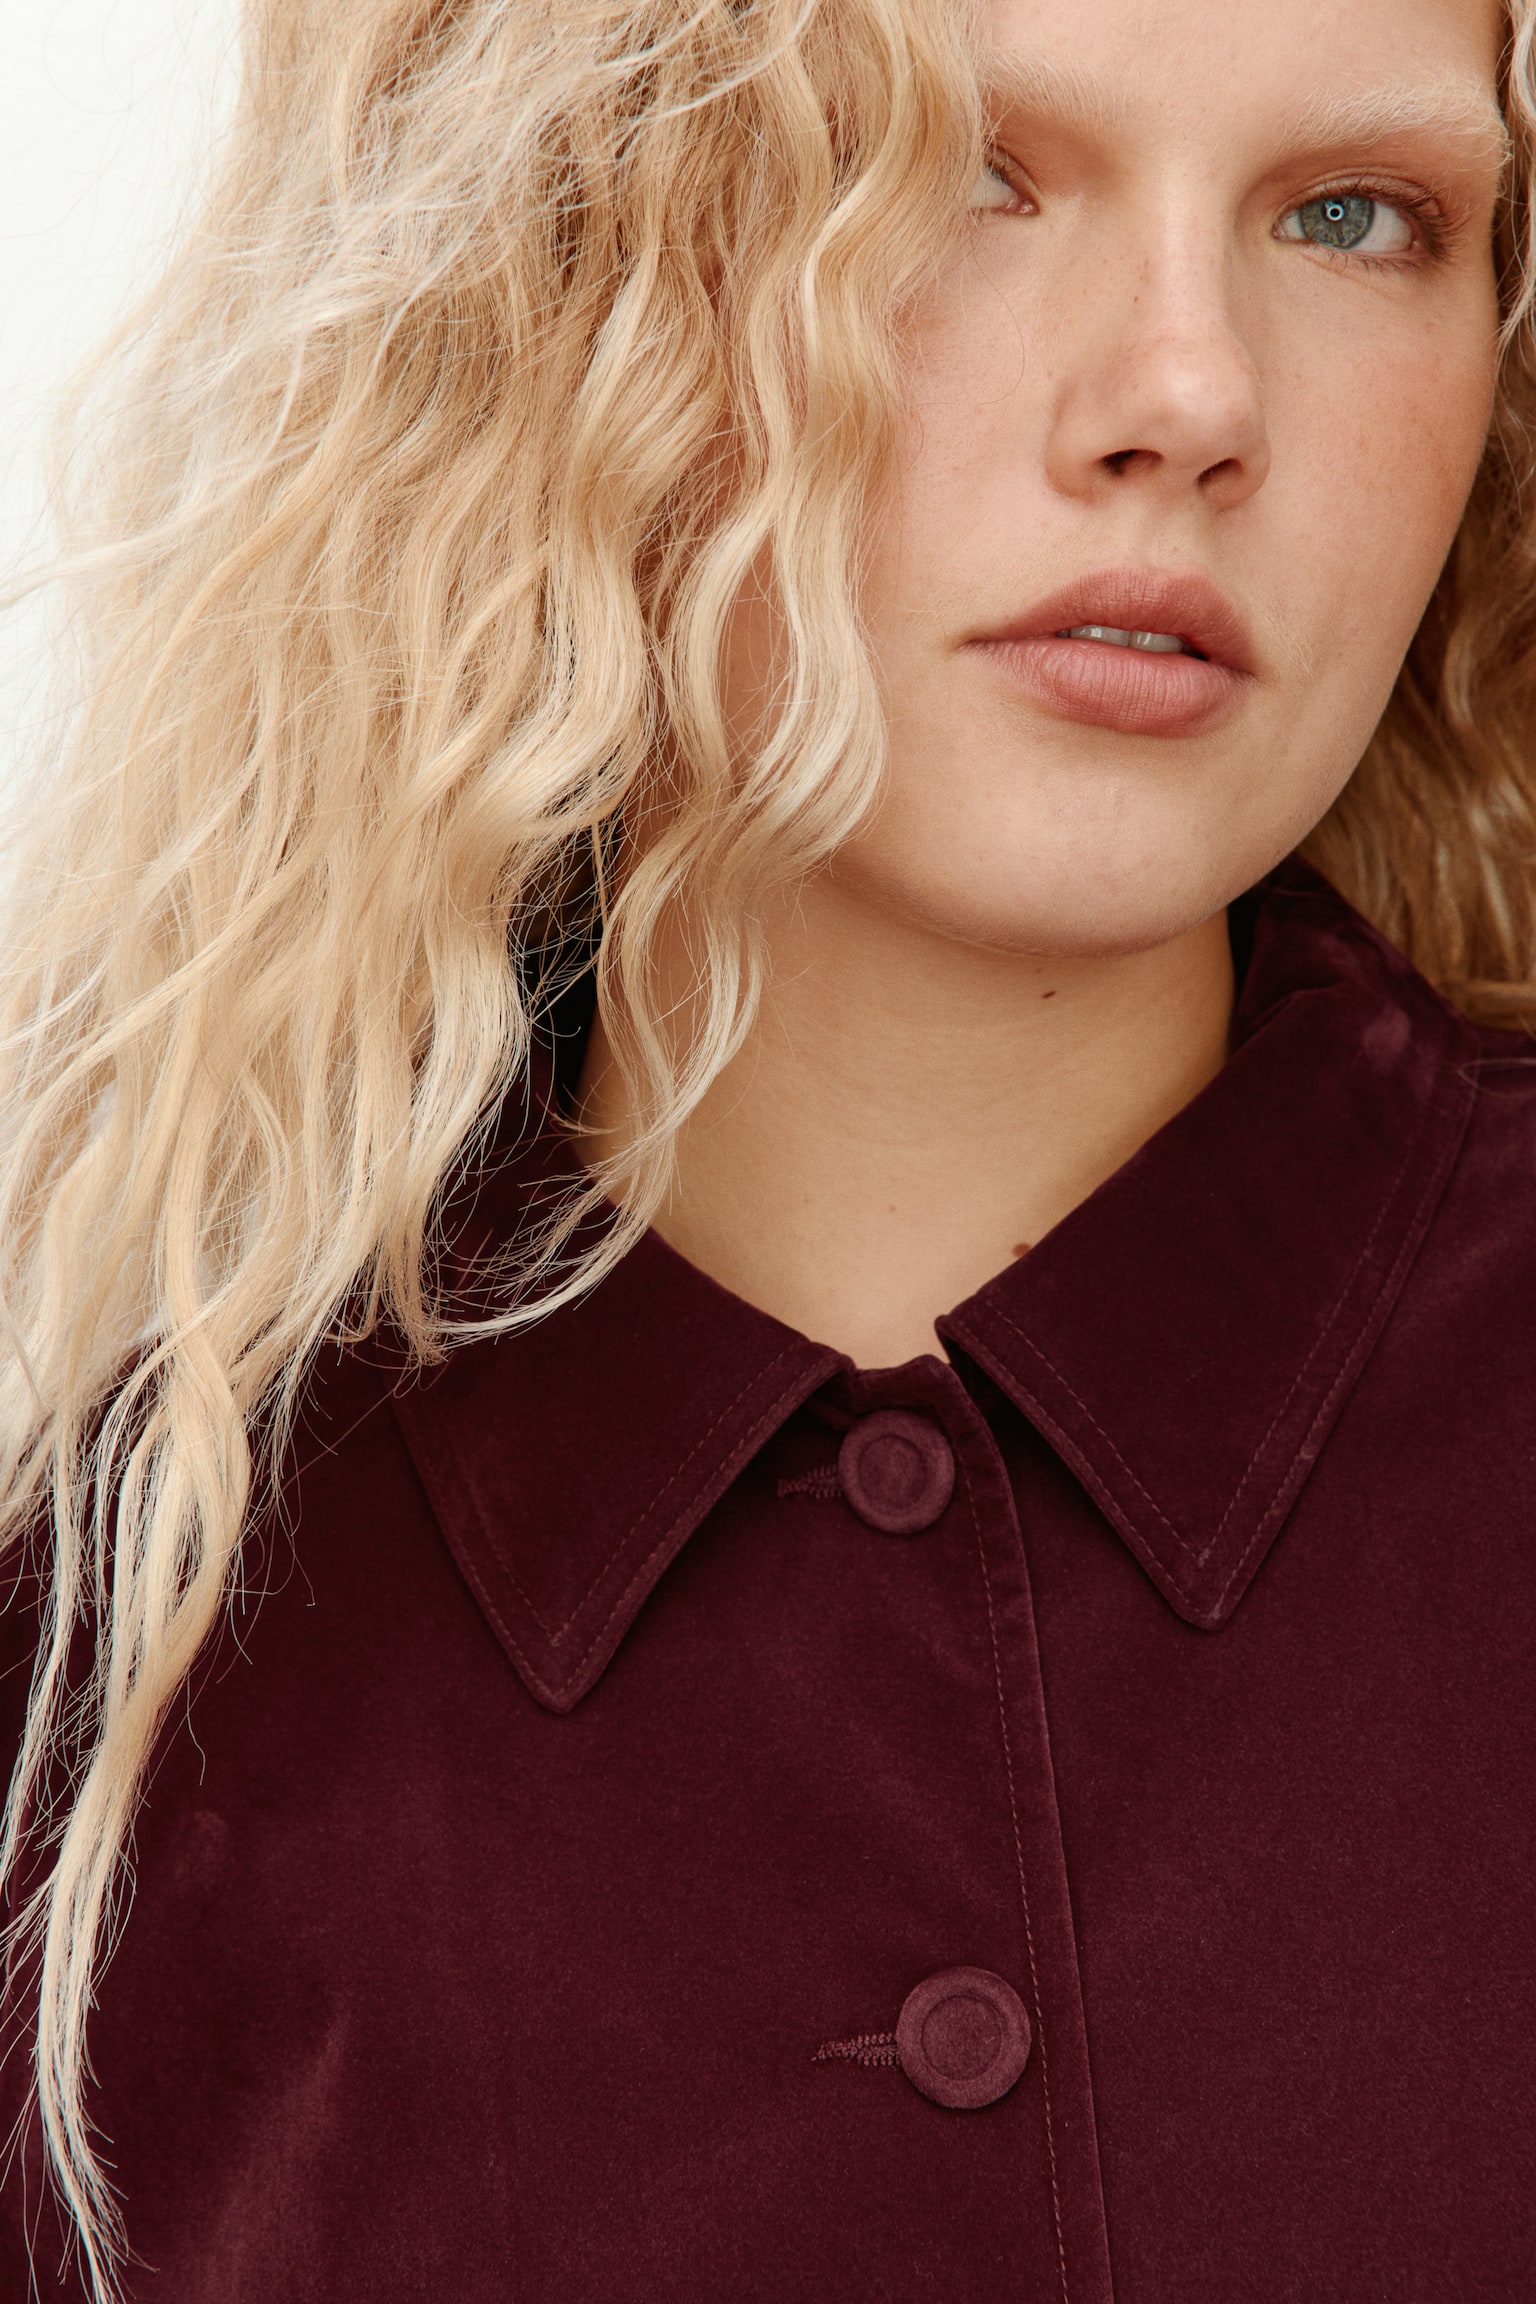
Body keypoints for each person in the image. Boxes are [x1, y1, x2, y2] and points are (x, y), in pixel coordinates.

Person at [0, 0, 1531, 2293]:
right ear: (560, 255)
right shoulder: (99, 1667)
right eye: (961, 175)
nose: (1192, 394)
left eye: (1353, 215)